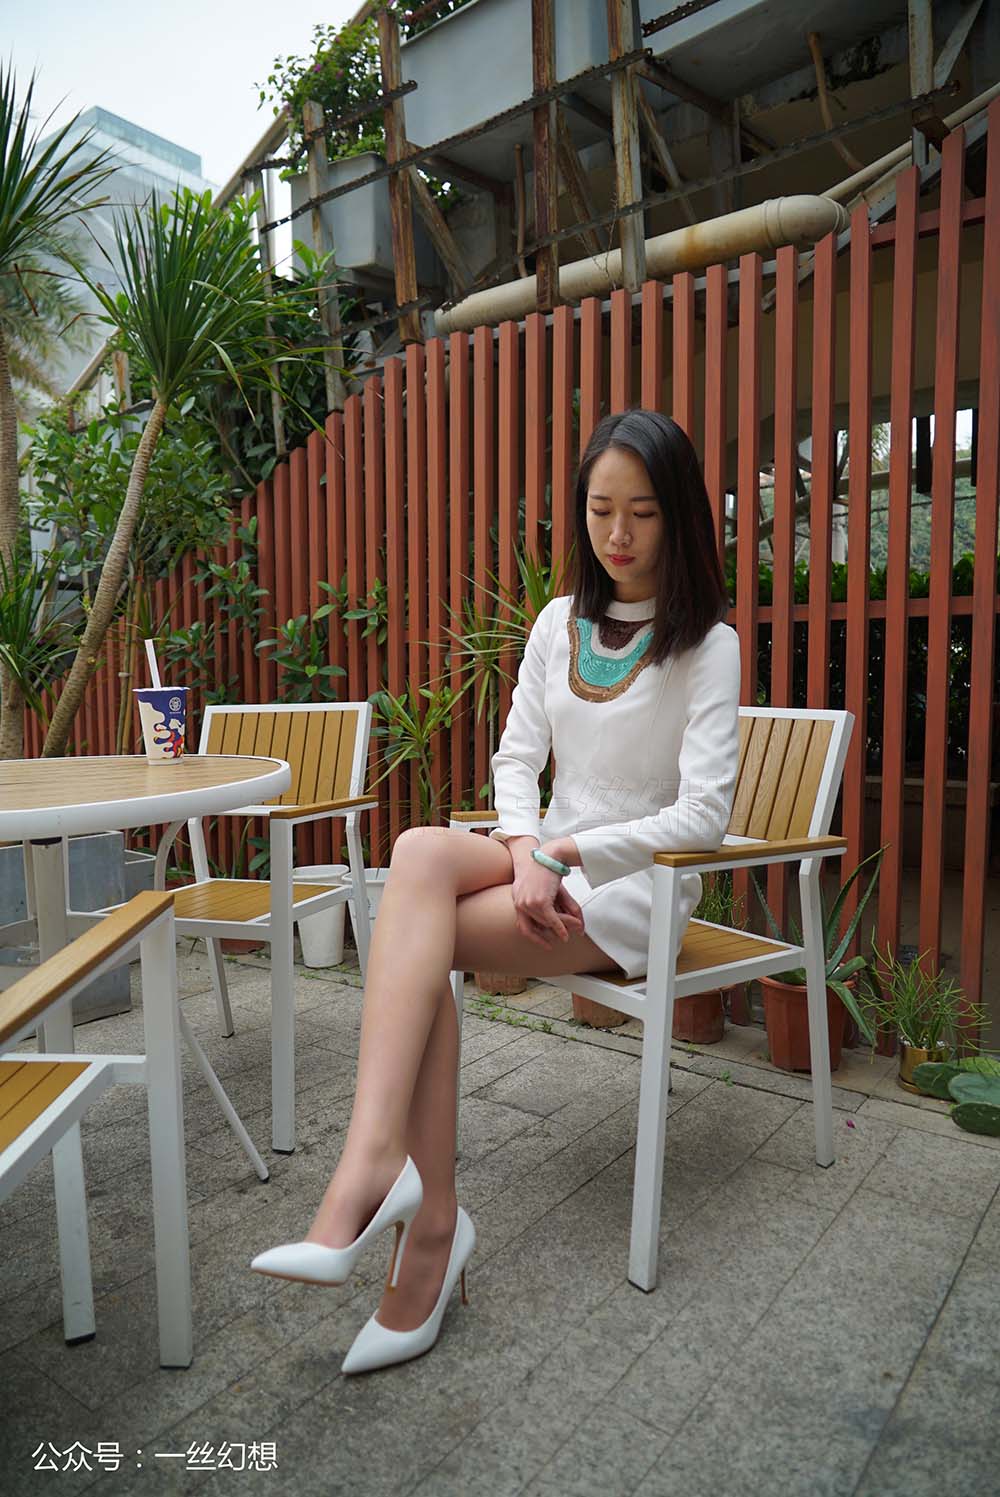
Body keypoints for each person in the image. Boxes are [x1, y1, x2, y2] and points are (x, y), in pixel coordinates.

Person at [250, 408, 742, 1375]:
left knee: (415, 921)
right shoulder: (558, 622)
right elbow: (516, 758)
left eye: (643, 512)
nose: (618, 534)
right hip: (542, 861)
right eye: (600, 509)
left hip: (630, 888)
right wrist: (526, 851)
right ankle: (401, 1191)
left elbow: (703, 815)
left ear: (679, 516)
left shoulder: (706, 644)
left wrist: (565, 851)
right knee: (418, 853)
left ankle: (409, 1206)